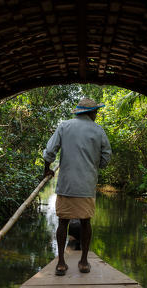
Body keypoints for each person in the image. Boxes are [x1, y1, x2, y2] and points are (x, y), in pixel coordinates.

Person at [43, 98, 112, 275]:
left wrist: (47, 170)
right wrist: (95, 166)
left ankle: (61, 263)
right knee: (85, 222)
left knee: (63, 222)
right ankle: (83, 261)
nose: (96, 114)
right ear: (90, 113)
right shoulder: (98, 130)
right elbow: (106, 156)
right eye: (95, 111)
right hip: (86, 185)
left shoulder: (64, 126)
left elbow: (50, 151)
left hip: (66, 184)